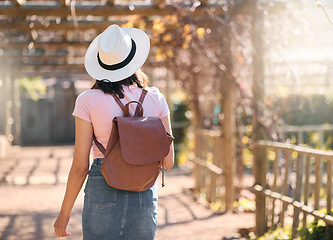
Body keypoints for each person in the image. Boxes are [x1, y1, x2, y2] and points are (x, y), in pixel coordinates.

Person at [54, 24, 174, 239]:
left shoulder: (87, 101)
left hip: (103, 186)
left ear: (101, 64)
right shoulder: (156, 98)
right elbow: (168, 162)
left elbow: (80, 167)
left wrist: (64, 213)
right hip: (144, 189)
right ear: (132, 59)